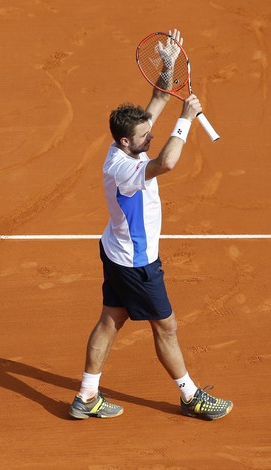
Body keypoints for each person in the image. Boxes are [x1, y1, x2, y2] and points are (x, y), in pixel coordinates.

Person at [69, 29, 233, 420]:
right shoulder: (123, 168)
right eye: (145, 135)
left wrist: (169, 63)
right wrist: (186, 120)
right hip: (137, 264)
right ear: (127, 143)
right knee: (167, 326)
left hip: (116, 251)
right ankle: (191, 396)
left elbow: (159, 97)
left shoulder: (126, 141)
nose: (151, 134)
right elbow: (167, 163)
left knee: (111, 319)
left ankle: (86, 397)